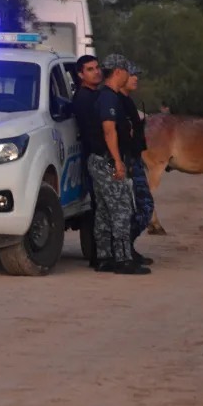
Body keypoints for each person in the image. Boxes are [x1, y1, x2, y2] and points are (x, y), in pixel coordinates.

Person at [86, 54, 151, 275]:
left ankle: (105, 258)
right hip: (106, 161)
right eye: (126, 71)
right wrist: (117, 161)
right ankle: (123, 259)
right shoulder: (109, 98)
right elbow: (109, 130)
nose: (129, 75)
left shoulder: (109, 97)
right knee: (122, 209)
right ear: (118, 72)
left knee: (104, 212)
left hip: (100, 160)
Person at [119, 63, 154, 266]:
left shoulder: (127, 101)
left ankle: (127, 248)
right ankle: (125, 249)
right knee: (143, 206)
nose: (135, 79)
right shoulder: (118, 102)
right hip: (127, 162)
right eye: (132, 75)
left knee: (139, 207)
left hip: (134, 159)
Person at [71, 55, 103, 266]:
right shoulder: (83, 98)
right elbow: (93, 132)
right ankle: (97, 255)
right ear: (81, 75)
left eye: (97, 67)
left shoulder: (95, 95)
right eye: (90, 69)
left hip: (99, 155)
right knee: (100, 204)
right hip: (96, 156)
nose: (96, 71)